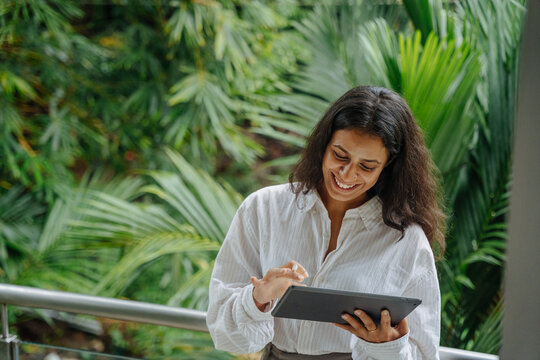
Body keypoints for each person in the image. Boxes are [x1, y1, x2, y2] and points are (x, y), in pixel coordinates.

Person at [206, 86, 446, 359]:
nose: (347, 174)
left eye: (367, 166)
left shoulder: (407, 241)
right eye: (340, 155)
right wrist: (258, 298)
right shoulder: (263, 209)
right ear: (323, 144)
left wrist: (387, 346)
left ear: (388, 165)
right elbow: (223, 333)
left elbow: (426, 354)